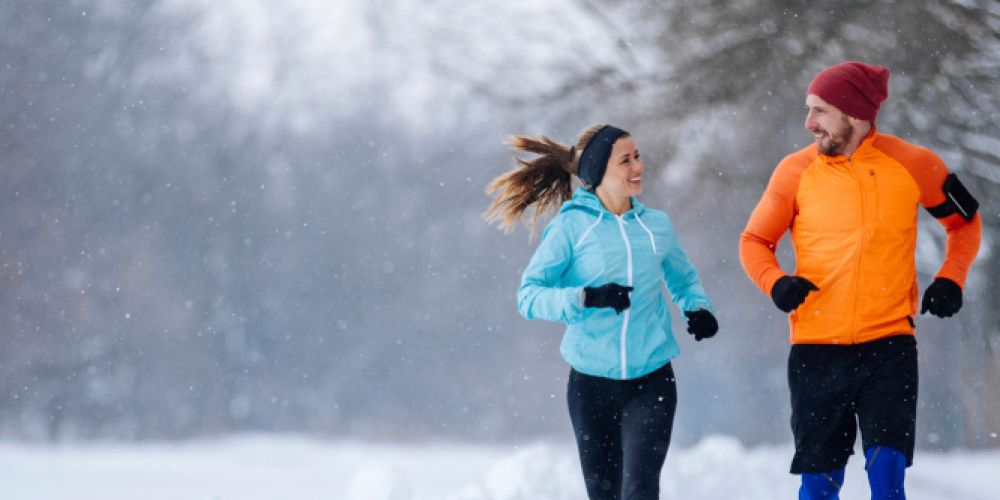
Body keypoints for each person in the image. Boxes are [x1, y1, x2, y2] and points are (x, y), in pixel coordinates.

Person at [739, 61, 982, 499]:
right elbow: (755, 240)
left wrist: (951, 278)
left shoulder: (913, 163)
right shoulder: (794, 172)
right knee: (819, 485)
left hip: (889, 345)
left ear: (854, 114)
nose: (808, 122)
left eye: (820, 111)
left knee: (887, 478)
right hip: (815, 350)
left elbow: (965, 222)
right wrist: (775, 282)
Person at [484, 124, 719, 500]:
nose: (638, 165)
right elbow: (529, 296)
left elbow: (684, 279)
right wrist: (586, 298)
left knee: (640, 491)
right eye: (626, 160)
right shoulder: (571, 227)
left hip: (652, 381)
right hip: (592, 386)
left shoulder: (656, 225)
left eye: (637, 156)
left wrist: (698, 308)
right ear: (596, 172)